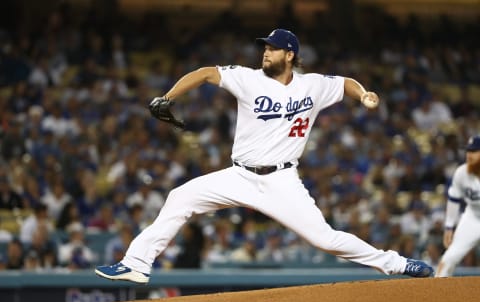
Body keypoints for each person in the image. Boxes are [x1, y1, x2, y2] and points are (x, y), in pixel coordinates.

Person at [95, 28, 433, 283]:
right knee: (180, 197)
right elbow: (205, 73)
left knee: (325, 239)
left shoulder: (312, 84)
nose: (265, 52)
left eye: (272, 48)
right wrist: (167, 97)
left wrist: (364, 95)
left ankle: (397, 264)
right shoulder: (247, 78)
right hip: (239, 175)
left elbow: (345, 82)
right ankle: (137, 264)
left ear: (289, 55)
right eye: (264, 47)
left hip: (281, 179)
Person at [436, 135, 480, 277]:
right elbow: (453, 199)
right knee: (449, 258)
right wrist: (449, 227)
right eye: (468, 151)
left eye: (474, 151)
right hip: (473, 218)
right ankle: (434, 294)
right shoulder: (462, 173)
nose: (469, 155)